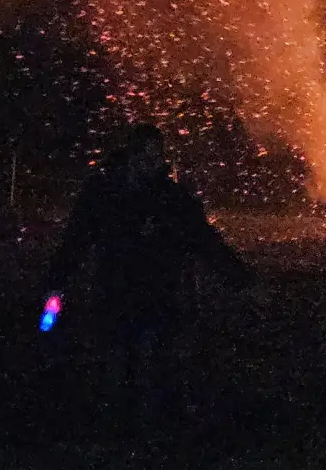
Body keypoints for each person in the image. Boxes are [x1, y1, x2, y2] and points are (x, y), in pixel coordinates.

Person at [45, 123, 253, 435]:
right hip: (116, 290)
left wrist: (240, 279)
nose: (152, 162)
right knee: (117, 359)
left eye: (155, 156)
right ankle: (117, 434)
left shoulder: (169, 198)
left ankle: (145, 436)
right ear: (130, 156)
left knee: (149, 361)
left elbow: (204, 239)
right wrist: (56, 281)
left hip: (155, 293)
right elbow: (76, 241)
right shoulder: (104, 195)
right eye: (145, 155)